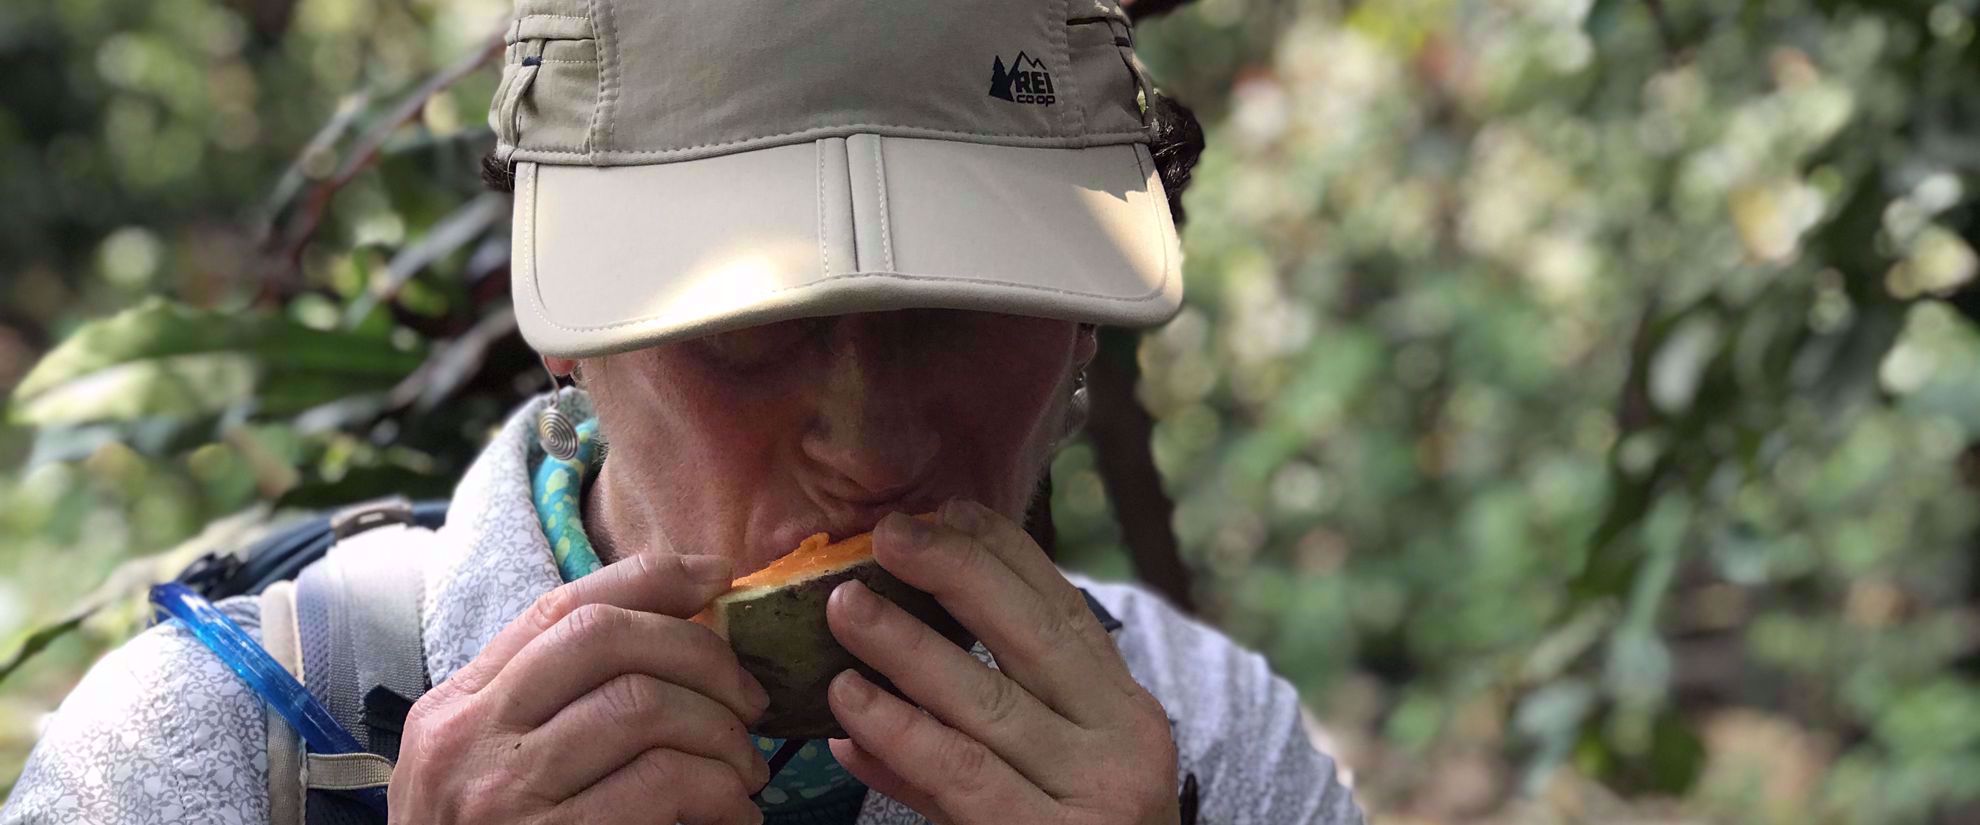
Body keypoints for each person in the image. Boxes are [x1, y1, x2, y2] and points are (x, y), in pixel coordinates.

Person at [2, 1, 1364, 823]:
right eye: (747, 335)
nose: (877, 442)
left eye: (956, 312)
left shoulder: (1209, 738)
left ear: (1074, 330)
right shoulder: (221, 742)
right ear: (574, 342)